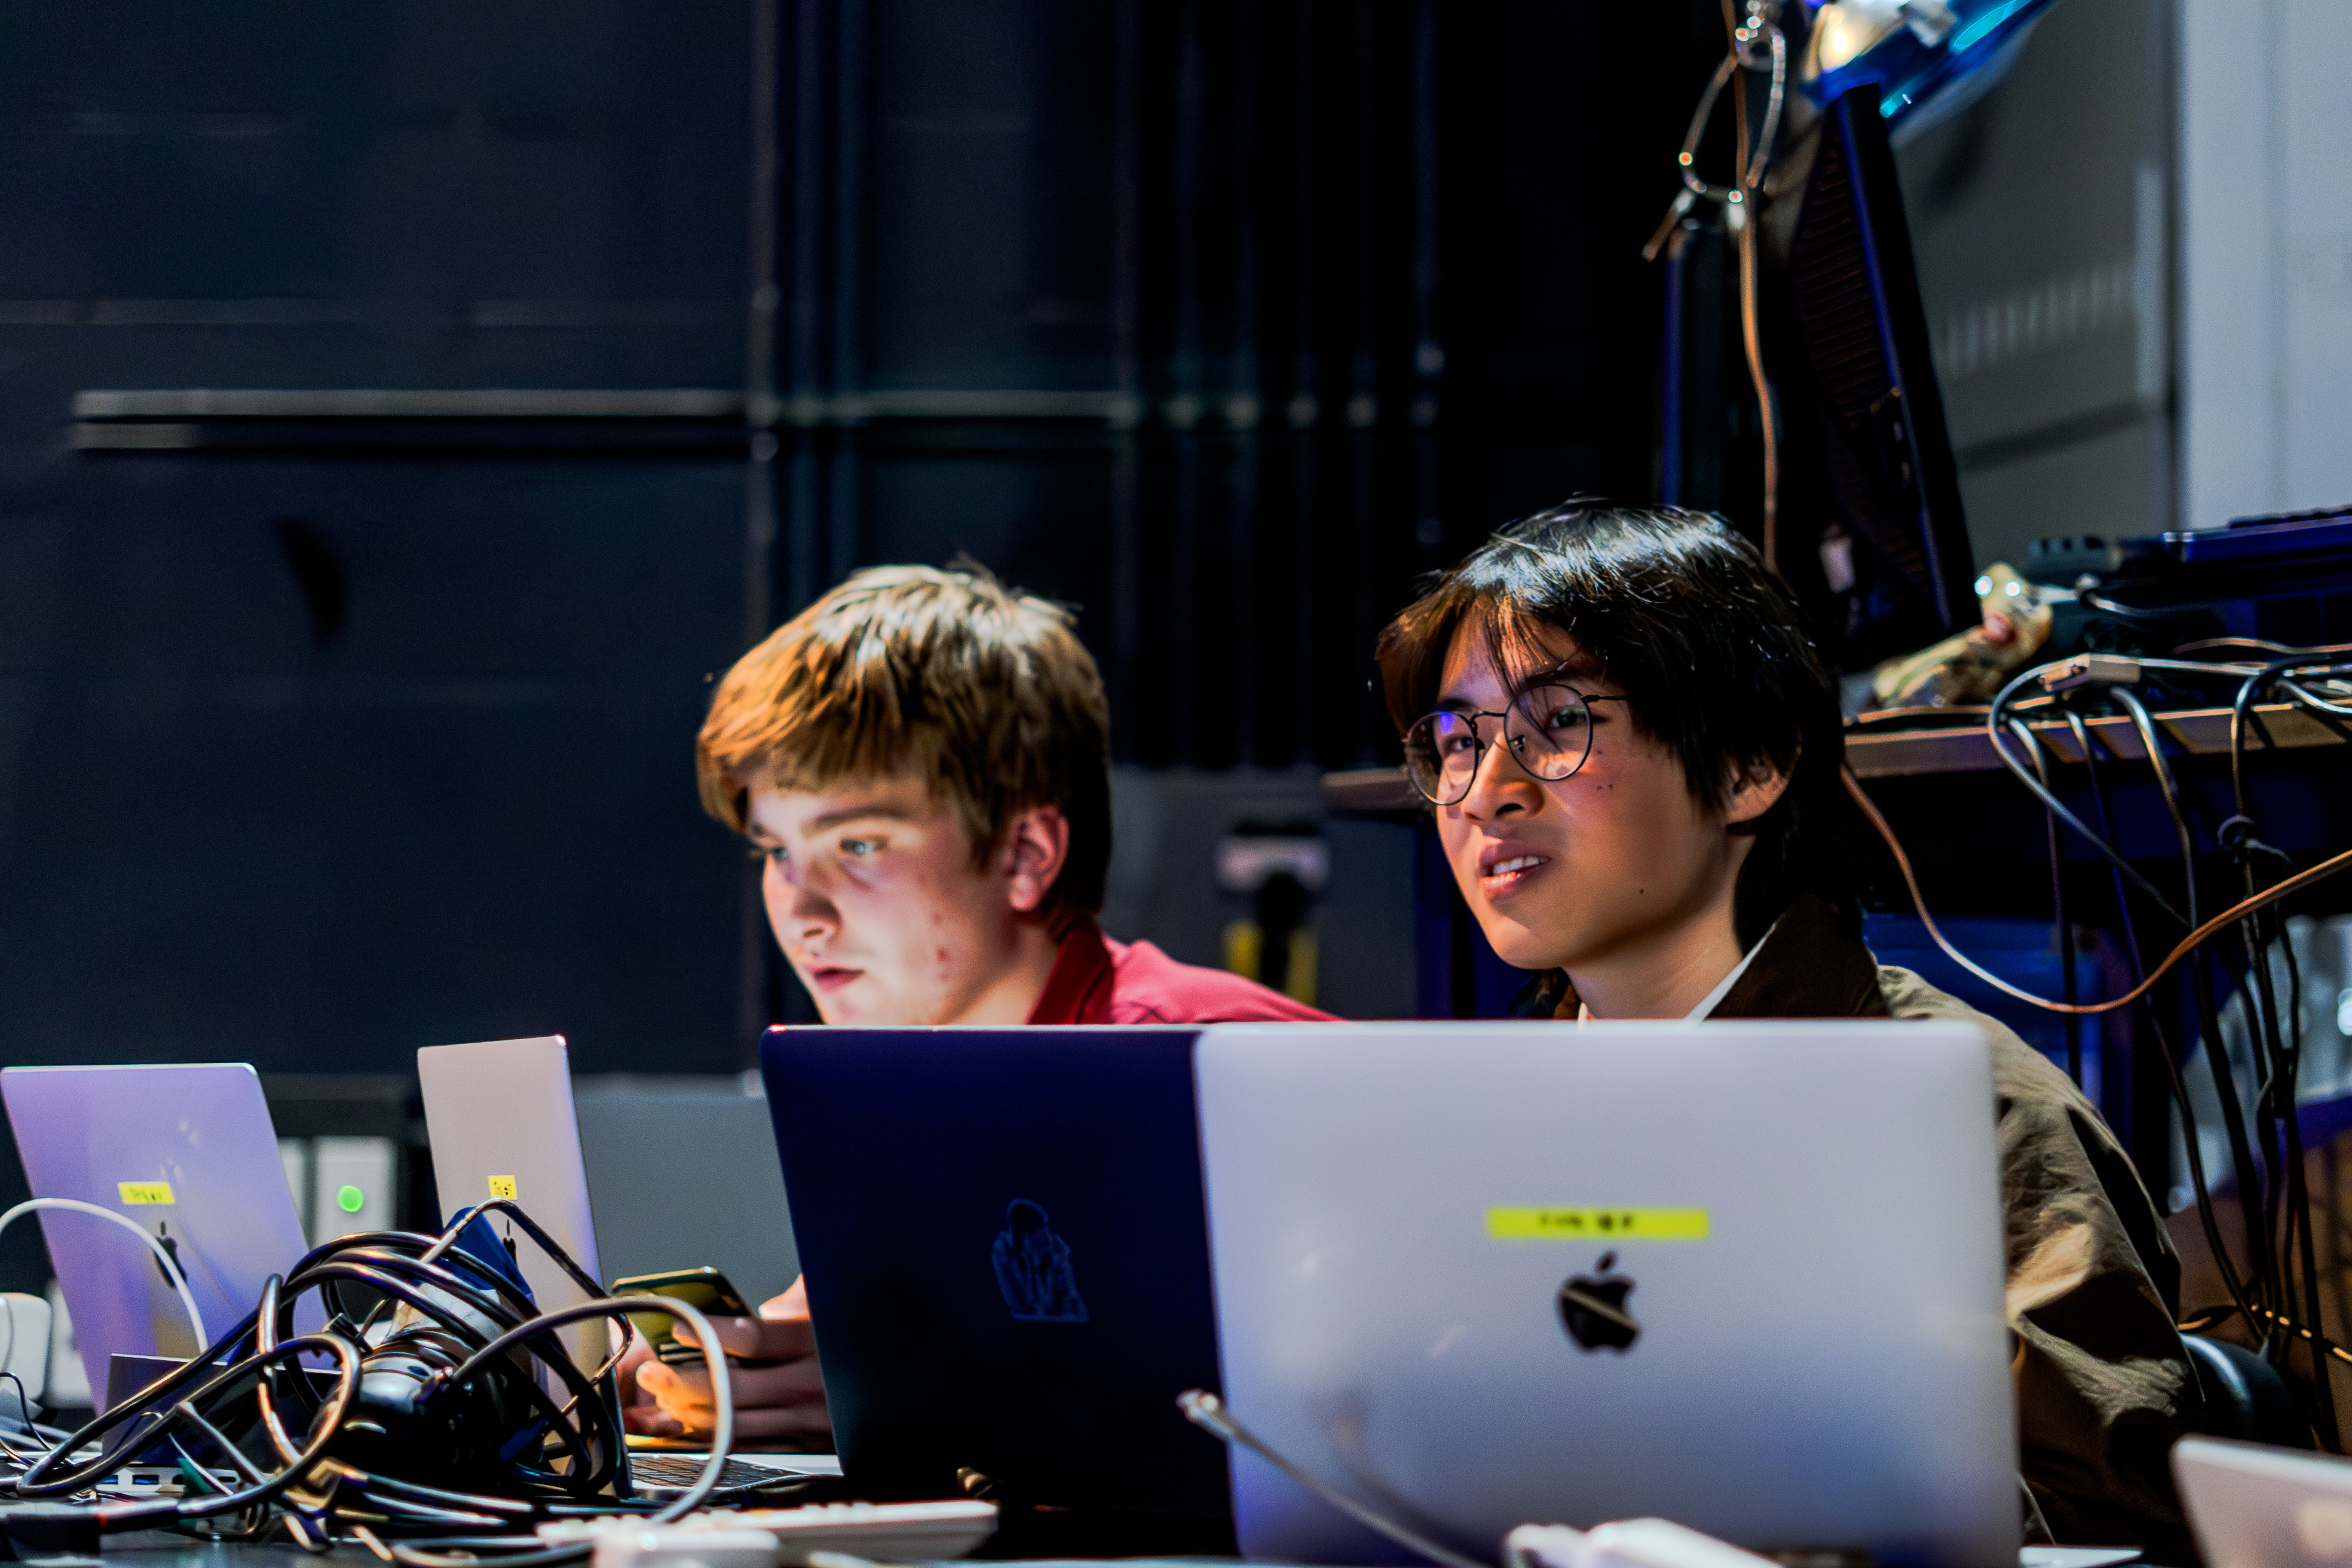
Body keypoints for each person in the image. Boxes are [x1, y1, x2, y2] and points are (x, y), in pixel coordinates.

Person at [1374, 502, 2198, 1555]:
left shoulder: (1962, 1106)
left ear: (1749, 766)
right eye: (1456, 739)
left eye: (1560, 725)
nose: (1488, 792)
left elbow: (2093, 1520)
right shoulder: (1471, 1123)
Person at [625, 564, 1328, 1446]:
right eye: (776, 850)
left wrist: (937, 1397)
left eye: (859, 842)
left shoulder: (1224, 1069)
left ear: (1027, 853)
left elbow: (1392, 1414)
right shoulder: (898, 1082)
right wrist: (719, 1379)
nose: (800, 911)